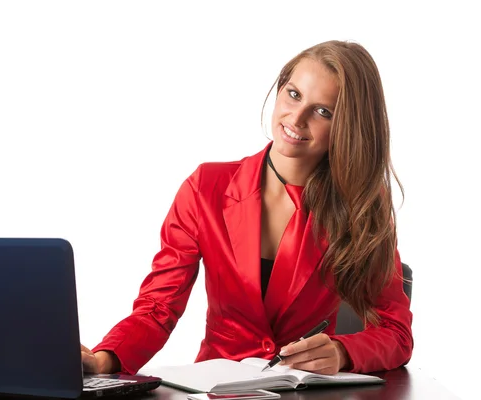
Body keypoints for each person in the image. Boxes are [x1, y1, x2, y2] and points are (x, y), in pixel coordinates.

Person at [81, 40, 413, 376]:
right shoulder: (205, 187)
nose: (296, 119)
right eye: (294, 95)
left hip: (305, 391)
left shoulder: (363, 206)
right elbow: (157, 308)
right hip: (214, 388)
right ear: (280, 88)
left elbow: (396, 333)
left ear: (349, 126)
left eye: (323, 111)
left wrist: (342, 352)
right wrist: (105, 358)